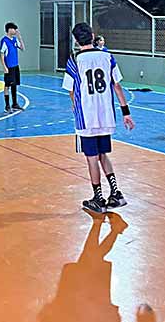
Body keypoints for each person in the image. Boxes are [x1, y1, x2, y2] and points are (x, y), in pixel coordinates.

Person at [62, 22, 135, 214]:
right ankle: (116, 193)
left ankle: (98, 198)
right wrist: (126, 112)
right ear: (93, 35)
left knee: (92, 158)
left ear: (75, 40)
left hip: (86, 117)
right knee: (103, 154)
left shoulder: (74, 60)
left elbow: (70, 89)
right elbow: (117, 86)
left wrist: (75, 105)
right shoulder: (107, 56)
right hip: (106, 115)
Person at [0, 22, 25, 113]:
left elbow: (22, 48)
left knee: (14, 85)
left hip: (15, 66)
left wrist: (20, 37)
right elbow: (1, 54)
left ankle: (15, 104)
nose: (15, 30)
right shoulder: (4, 40)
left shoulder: (14, 40)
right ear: (9, 30)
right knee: (7, 85)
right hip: (9, 67)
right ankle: (7, 105)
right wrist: (4, 67)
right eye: (14, 29)